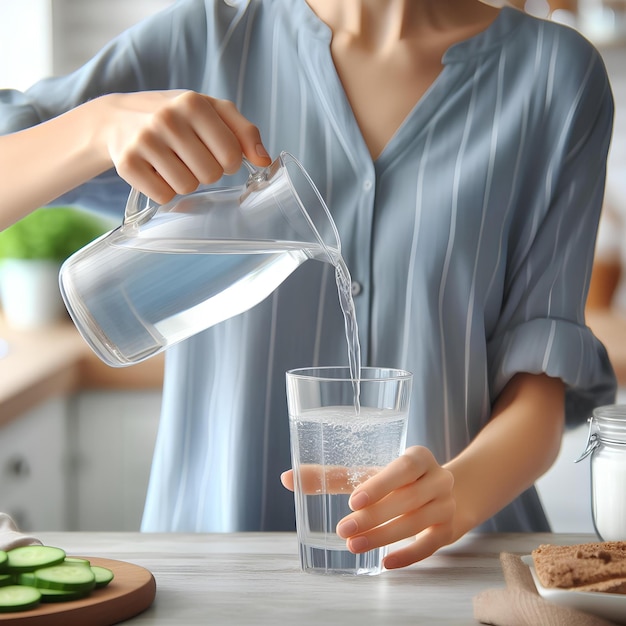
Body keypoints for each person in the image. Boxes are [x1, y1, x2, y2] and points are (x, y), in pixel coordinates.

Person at [0, 0, 616, 569]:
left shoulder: (556, 79)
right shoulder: (208, 38)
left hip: (445, 573)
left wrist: (456, 493)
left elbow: (542, 383)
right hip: (216, 572)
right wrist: (96, 127)